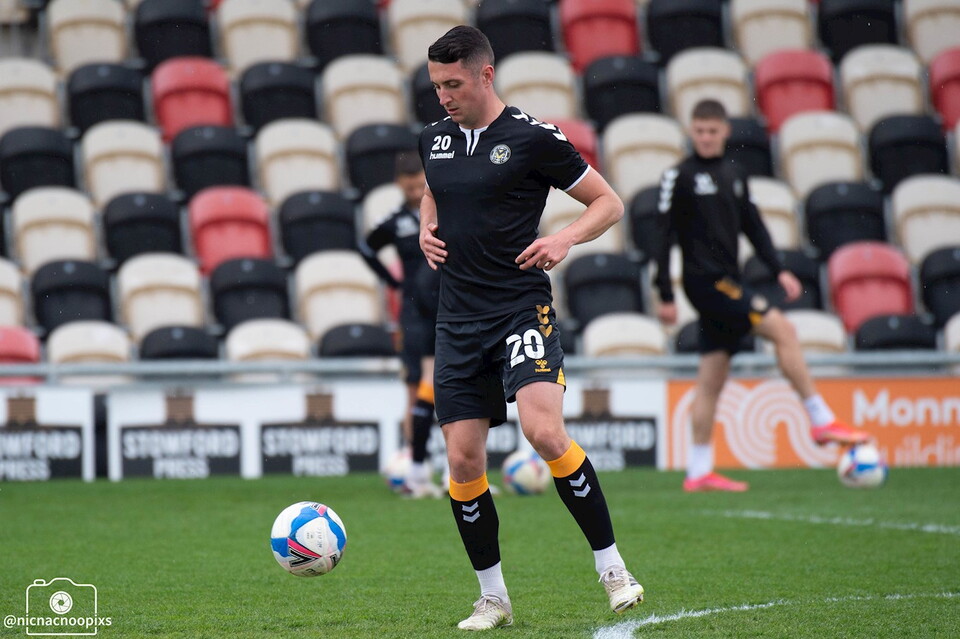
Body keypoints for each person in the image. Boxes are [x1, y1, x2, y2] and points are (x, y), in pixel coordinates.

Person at [418, 25, 644, 631]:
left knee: (544, 431)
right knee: (463, 462)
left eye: (453, 84)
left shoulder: (532, 137)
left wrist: (564, 238)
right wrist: (425, 226)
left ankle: (613, 569)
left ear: (485, 74)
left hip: (519, 308)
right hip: (457, 319)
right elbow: (435, 191)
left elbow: (608, 203)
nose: (443, 96)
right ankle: (493, 598)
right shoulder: (433, 139)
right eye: (436, 85)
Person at [654, 99, 871, 493]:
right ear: (691, 131)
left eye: (712, 131)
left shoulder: (734, 174)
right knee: (783, 330)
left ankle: (698, 471)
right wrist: (664, 292)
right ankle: (821, 419)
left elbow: (753, 226)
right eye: (699, 131)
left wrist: (779, 269)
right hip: (706, 283)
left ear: (725, 131)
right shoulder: (679, 176)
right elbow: (663, 235)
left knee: (711, 379)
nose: (706, 137)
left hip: (728, 280)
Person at [359, 153, 442, 498]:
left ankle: (450, 469)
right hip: (414, 314)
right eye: (409, 186)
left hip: (447, 306)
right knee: (416, 387)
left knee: (448, 387)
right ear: (399, 184)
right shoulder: (395, 222)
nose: (414, 190)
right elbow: (367, 248)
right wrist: (393, 282)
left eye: (419, 184)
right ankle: (417, 463)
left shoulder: (443, 212)